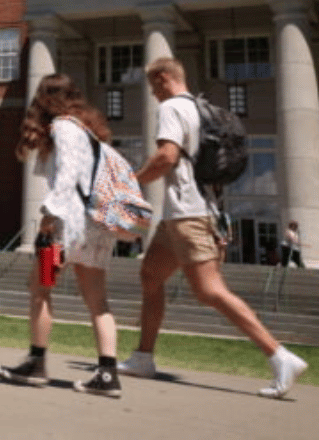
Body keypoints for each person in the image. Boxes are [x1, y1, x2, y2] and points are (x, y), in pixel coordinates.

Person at [119, 57, 307, 399]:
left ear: (162, 79)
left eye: (152, 86)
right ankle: (143, 357)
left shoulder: (172, 108)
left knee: (209, 290)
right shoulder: (201, 108)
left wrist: (129, 183)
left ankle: (279, 355)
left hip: (189, 214)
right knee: (150, 275)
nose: (152, 93)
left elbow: (166, 157)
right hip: (180, 214)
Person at [0, 74, 123, 398]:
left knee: (39, 288)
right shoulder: (87, 131)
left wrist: (49, 217)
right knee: (97, 299)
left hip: (68, 226)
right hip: (96, 224)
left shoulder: (64, 128)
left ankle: (36, 363)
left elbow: (66, 176)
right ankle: (107, 374)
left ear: (46, 100)